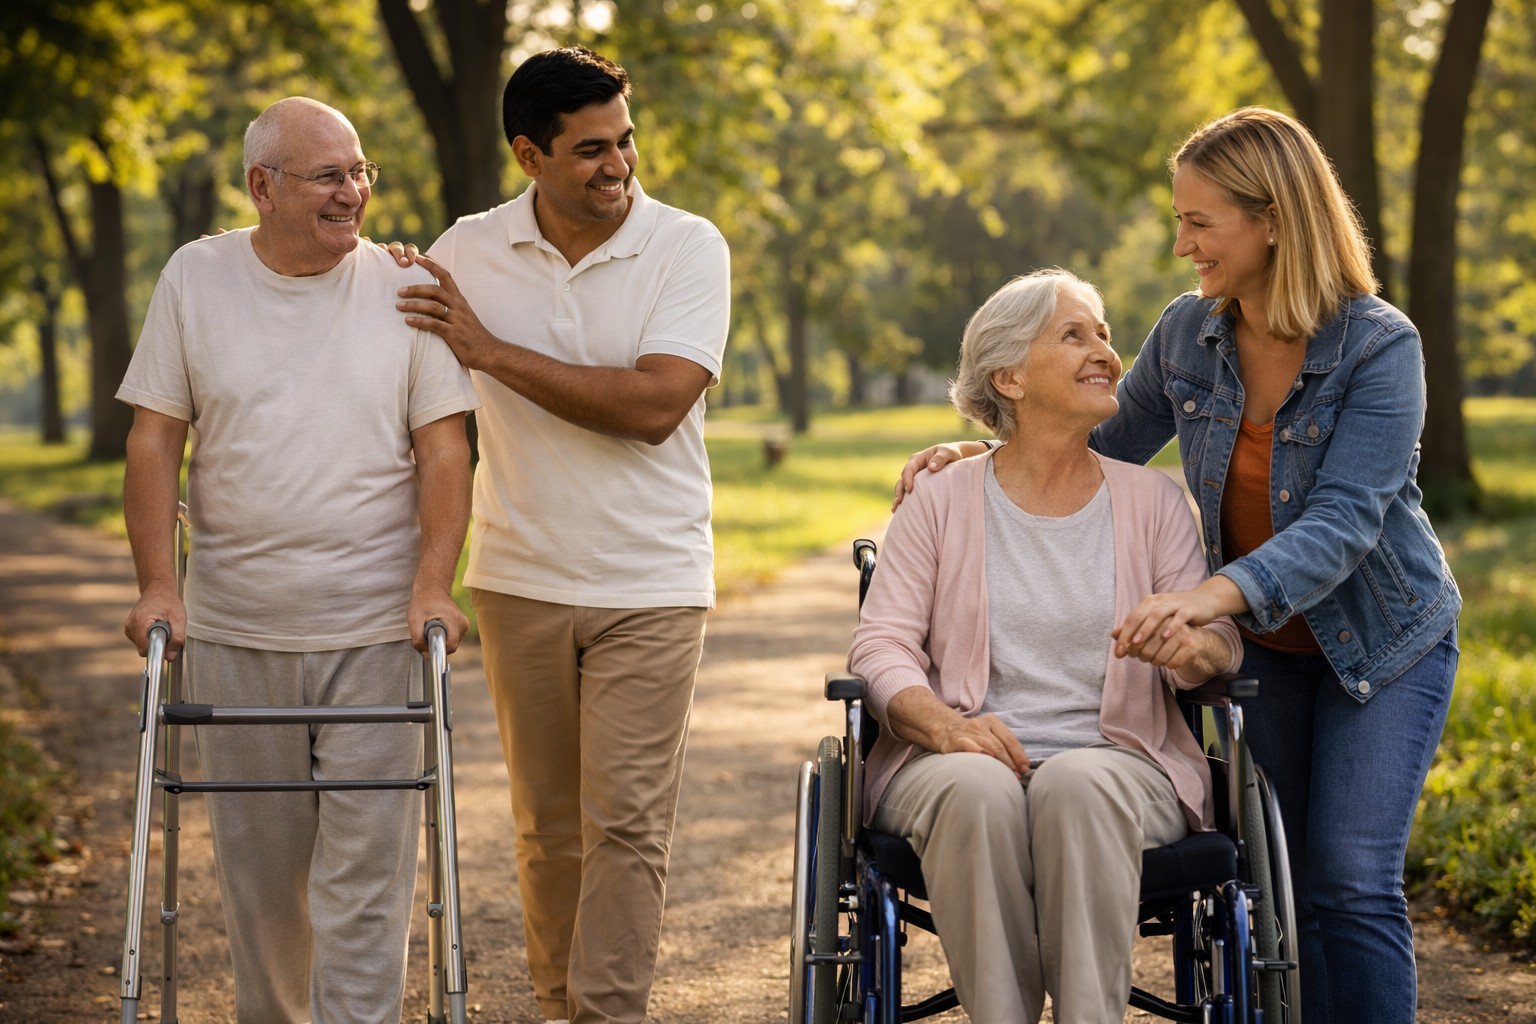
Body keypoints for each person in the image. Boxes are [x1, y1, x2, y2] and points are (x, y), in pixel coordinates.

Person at [895, 107, 1460, 1024]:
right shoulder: (1189, 334)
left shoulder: (1379, 345)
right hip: (1261, 653)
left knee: (1349, 881)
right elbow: (1090, 437)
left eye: (1200, 222)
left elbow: (1347, 522)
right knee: (1282, 882)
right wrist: (971, 460)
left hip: (1379, 643)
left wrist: (1206, 595)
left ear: (1272, 218)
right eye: (1179, 219)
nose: (1182, 243)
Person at [388, 47, 730, 1024]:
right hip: (518, 574)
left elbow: (658, 402)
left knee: (625, 823)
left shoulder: (686, 245)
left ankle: (604, 1013)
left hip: (652, 579)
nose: (618, 164)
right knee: (547, 829)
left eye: (624, 141)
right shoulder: (470, 248)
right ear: (529, 154)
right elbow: (423, 412)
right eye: (590, 150)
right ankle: (556, 1003)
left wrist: (491, 348)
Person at [118, 97, 478, 1024]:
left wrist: (433, 584)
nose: (353, 192)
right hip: (237, 630)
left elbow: (446, 450)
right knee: (265, 889)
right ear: (261, 187)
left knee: (366, 884)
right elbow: (155, 440)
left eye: (360, 172)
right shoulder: (195, 278)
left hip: (377, 635)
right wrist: (160, 583)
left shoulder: (405, 288)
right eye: (329, 176)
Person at [853, 268, 1241, 1023]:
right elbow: (880, 647)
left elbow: (1217, 645)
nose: (1104, 349)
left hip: (1123, 764)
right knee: (975, 787)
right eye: (1074, 334)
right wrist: (945, 726)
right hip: (950, 760)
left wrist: (1193, 654)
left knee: (1075, 785)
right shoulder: (939, 501)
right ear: (1010, 376)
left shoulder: (1155, 503)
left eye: (1102, 331)